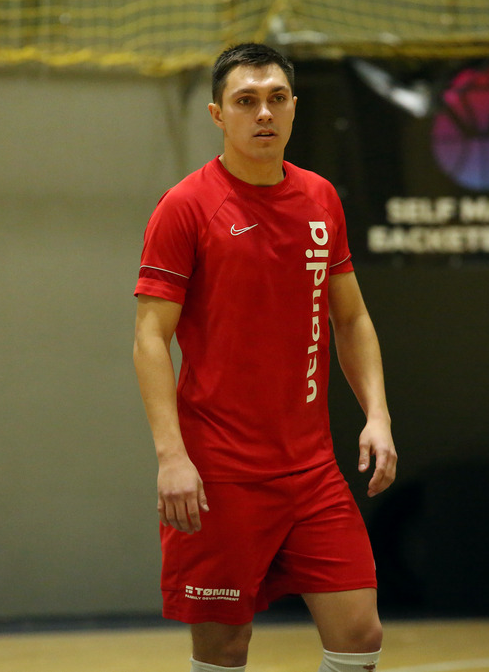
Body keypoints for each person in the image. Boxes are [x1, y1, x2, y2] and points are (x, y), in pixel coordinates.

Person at [133, 43, 397, 672]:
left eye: (276, 98)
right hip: (220, 474)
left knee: (360, 634)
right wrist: (171, 457)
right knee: (225, 648)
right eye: (246, 101)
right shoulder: (186, 206)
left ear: (294, 107)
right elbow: (149, 338)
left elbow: (351, 317)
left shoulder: (321, 198)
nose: (263, 113)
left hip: (311, 469)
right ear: (217, 114)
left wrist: (378, 415)